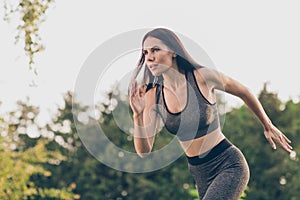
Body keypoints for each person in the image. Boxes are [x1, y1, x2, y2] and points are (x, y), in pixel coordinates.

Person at [128, 27, 293, 200]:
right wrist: (138, 116)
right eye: (145, 53)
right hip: (200, 175)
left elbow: (244, 91)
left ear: (173, 52)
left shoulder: (202, 77)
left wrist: (267, 125)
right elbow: (144, 151)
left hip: (228, 164)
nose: (149, 57)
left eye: (155, 50)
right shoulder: (153, 95)